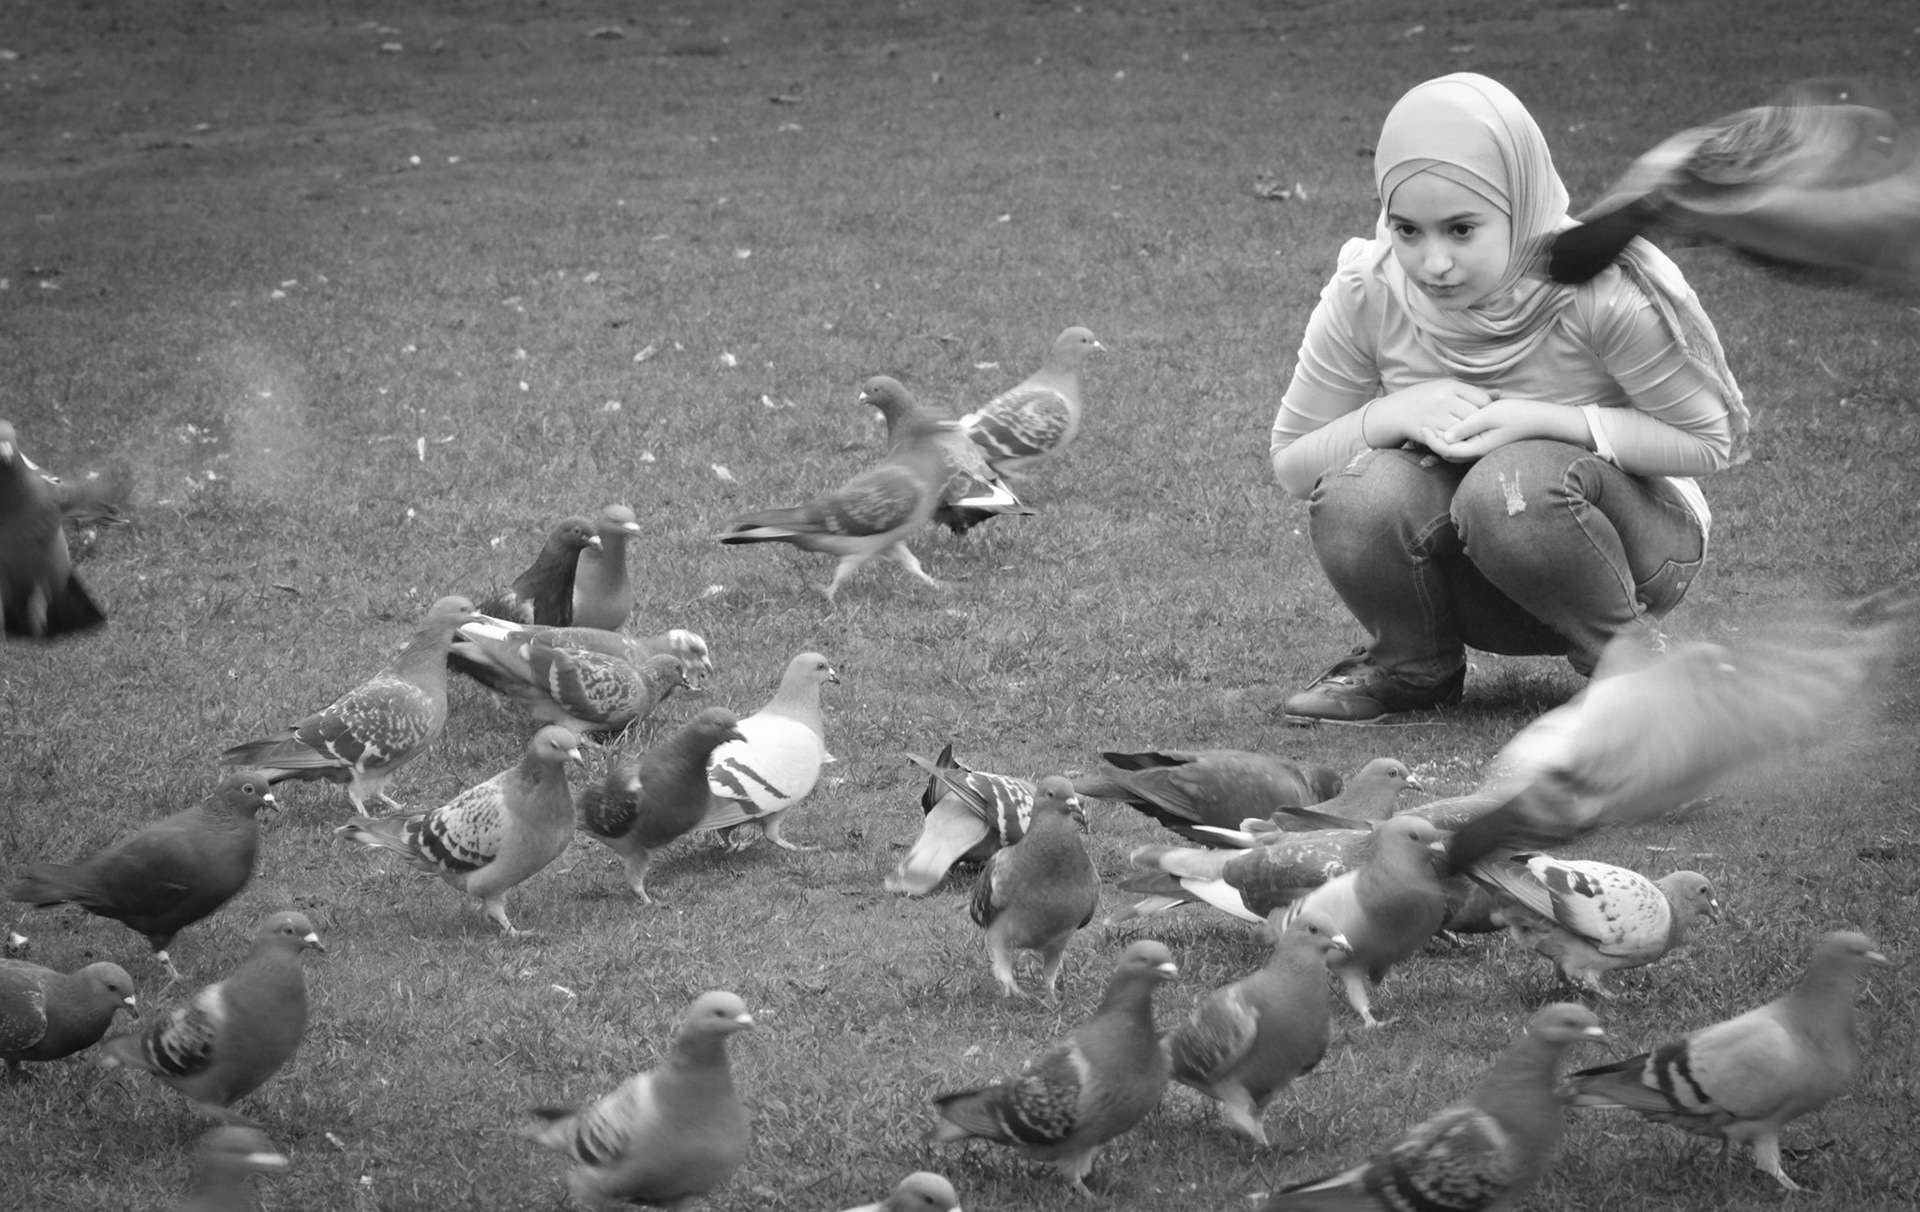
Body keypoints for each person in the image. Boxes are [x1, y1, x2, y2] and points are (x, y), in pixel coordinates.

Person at [1269, 73, 1747, 723]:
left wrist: (1549, 421)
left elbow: (1709, 442)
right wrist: (1389, 414)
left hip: (1630, 553)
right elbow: (1294, 463)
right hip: (1469, 581)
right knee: (1358, 493)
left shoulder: (1598, 287)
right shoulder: (1368, 289)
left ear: (1518, 202)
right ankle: (1410, 669)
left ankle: (1633, 664)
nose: (1432, 262)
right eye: (1407, 230)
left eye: (1461, 230)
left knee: (1506, 486)